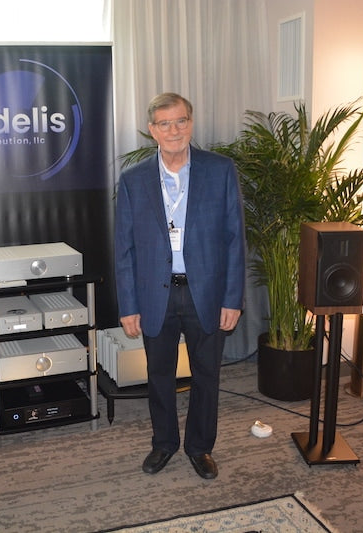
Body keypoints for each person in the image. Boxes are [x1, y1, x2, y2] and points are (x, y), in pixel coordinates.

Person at [114, 92, 246, 480]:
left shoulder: (220, 170)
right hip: (156, 293)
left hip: (205, 291)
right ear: (152, 130)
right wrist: (128, 305)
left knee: (207, 375)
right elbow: (124, 247)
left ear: (191, 123)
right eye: (165, 124)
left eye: (182, 121)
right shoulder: (133, 180)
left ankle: (200, 447)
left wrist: (232, 298)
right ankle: (164, 443)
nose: (175, 130)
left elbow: (235, 237)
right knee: (159, 375)